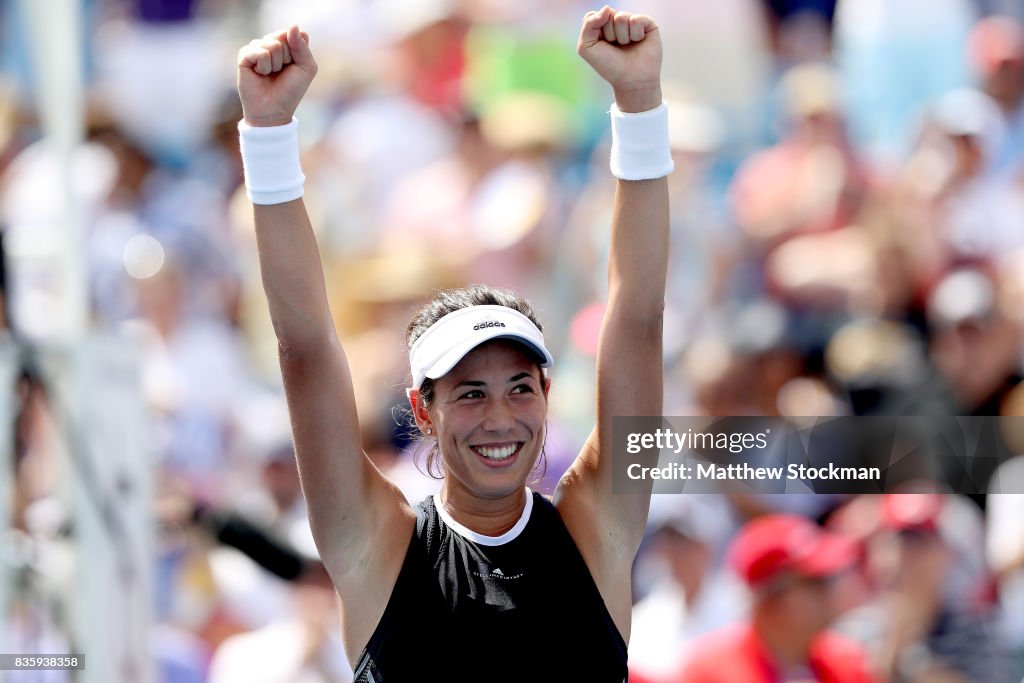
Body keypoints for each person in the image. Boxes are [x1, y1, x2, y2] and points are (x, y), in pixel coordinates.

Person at [234, 6, 671, 681]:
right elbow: (306, 348)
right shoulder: (376, 543)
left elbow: (637, 319)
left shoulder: (595, 529)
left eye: (518, 387)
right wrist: (268, 135)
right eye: (469, 393)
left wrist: (639, 103)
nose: (499, 417)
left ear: (547, 394)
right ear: (423, 407)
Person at [673, 514, 879, 683]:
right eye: (817, 581)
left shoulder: (847, 662)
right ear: (773, 598)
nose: (831, 591)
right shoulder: (707, 674)